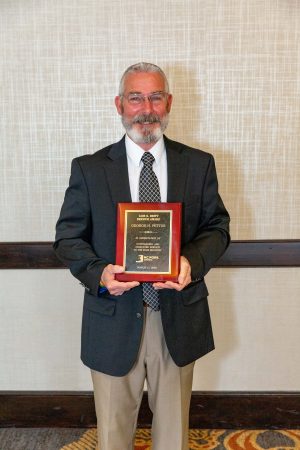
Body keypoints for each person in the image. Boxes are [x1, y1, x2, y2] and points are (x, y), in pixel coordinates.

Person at [54, 62, 230, 450]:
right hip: (113, 317)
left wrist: (191, 262)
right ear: (119, 104)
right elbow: (67, 237)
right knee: (113, 436)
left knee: (173, 437)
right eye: (135, 97)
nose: (145, 108)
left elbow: (217, 228)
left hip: (179, 314)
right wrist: (99, 273)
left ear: (168, 103)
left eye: (154, 97)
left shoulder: (198, 165)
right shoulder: (89, 169)